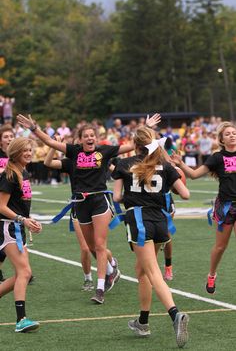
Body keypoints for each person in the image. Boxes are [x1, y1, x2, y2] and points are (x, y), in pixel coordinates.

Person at [17, 112, 161, 304]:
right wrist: (34, 128)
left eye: (92, 135)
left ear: (96, 137)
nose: (90, 138)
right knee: (91, 246)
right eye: (86, 136)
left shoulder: (105, 151)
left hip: (99, 201)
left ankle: (100, 288)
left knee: (100, 246)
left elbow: (136, 145)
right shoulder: (74, 152)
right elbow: (50, 144)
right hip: (80, 203)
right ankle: (112, 270)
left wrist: (147, 127)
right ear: (80, 139)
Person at [112, 126, 190, 348]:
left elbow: (117, 197)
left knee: (153, 272)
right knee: (142, 270)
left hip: (139, 220)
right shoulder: (164, 165)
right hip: (160, 221)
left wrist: (133, 192)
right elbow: (185, 194)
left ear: (134, 144)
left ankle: (175, 314)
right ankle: (143, 322)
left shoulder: (124, 164)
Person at [44, 136, 120, 292]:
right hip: (78, 206)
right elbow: (48, 163)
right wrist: (53, 146)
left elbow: (111, 164)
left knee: (97, 246)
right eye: (81, 138)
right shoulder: (71, 161)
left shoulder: (97, 156)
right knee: (88, 247)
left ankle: (110, 268)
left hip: (97, 203)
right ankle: (93, 276)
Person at [171, 121, 236, 294]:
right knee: (221, 247)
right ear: (221, 139)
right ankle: (212, 274)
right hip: (225, 206)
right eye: (228, 133)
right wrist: (180, 163)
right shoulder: (217, 157)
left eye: (234, 132)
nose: (232, 135)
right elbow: (193, 175)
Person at [0, 137, 42, 332]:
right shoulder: (9, 175)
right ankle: (21, 320)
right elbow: (1, 206)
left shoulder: (23, 172)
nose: (29, 153)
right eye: (24, 150)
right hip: (8, 228)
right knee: (24, 272)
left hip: (17, 226)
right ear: (15, 153)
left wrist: (29, 219)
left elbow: (19, 205)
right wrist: (22, 219)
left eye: (30, 149)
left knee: (22, 274)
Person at [0, 124, 15, 283]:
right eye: (6, 137)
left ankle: (22, 269)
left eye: (11, 136)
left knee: (7, 238)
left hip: (12, 201)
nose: (9, 139)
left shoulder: (16, 156)